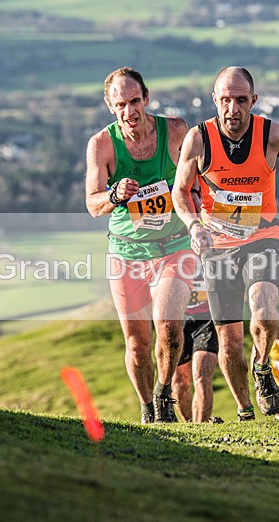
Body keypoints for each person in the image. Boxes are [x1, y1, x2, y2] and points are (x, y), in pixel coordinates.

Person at [172, 66, 279, 420]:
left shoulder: (271, 135)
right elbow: (180, 192)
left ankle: (262, 368)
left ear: (254, 100)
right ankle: (246, 410)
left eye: (241, 100)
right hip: (217, 246)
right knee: (230, 343)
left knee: (264, 313)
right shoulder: (199, 138)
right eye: (226, 100)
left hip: (262, 237)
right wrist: (192, 225)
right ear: (215, 100)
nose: (233, 109)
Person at [85, 67, 194, 423]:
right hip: (127, 253)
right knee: (137, 344)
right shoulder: (102, 145)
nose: (129, 111)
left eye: (134, 101)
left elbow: (202, 177)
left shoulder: (175, 131)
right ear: (110, 106)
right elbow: (92, 204)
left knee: (169, 326)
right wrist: (115, 194)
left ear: (146, 98)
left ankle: (164, 393)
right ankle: (148, 408)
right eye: (120, 104)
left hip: (174, 245)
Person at [172, 271, 220, 423]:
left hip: (208, 318)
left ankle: (201, 426)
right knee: (179, 381)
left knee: (201, 375)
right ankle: (190, 425)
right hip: (179, 318)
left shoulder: (212, 247)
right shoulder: (172, 247)